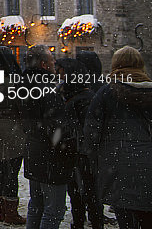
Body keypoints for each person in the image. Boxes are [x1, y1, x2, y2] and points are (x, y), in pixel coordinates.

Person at [84, 46, 152, 229]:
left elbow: (91, 133)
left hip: (118, 167)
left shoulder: (106, 94)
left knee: (126, 221)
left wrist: (96, 160)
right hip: (147, 165)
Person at [21, 45, 77, 229]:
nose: (55, 63)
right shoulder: (46, 89)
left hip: (34, 151)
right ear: (44, 64)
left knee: (36, 204)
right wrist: (69, 144)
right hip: (50, 157)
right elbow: (56, 128)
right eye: (52, 59)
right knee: (54, 210)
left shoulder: (24, 84)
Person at [56, 58, 103, 229]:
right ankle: (78, 222)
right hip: (72, 151)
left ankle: (94, 222)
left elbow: (87, 128)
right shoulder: (68, 94)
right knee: (76, 192)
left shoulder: (85, 97)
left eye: (62, 72)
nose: (59, 75)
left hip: (82, 152)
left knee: (90, 192)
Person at [0, 46, 26, 225]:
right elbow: (23, 107)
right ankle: (11, 212)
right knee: (11, 173)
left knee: (0, 171)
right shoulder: (14, 82)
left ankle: (3, 210)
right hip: (13, 132)